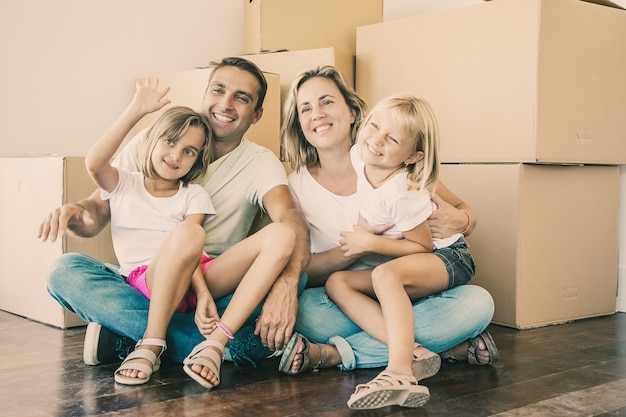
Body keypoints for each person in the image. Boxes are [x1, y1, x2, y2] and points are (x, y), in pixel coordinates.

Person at [38, 57, 310, 382]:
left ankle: (131, 336)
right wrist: (75, 212)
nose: (225, 103)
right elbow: (97, 209)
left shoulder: (258, 162)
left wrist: (287, 282)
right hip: (143, 278)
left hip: (209, 280)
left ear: (256, 114)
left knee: (295, 275)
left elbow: (290, 219)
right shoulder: (154, 139)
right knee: (64, 271)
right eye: (219, 90)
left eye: (241, 97)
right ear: (205, 93)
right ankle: (217, 346)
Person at [277, 66, 498, 397]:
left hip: (420, 281)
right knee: (308, 311)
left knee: (478, 303)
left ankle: (338, 354)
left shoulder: (397, 168)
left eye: (326, 102)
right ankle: (437, 348)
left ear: (352, 112)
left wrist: (463, 220)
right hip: (363, 296)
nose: (317, 115)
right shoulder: (296, 185)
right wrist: (358, 247)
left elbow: (461, 214)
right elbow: (304, 269)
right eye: (305, 108)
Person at [324, 94, 475, 409]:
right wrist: (367, 226)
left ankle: (399, 373)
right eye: (374, 126)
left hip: (449, 257)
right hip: (419, 258)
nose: (376, 140)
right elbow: (370, 203)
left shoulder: (402, 192)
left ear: (412, 157)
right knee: (337, 282)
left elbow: (422, 246)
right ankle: (414, 350)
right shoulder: (358, 156)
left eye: (392, 139)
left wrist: (370, 242)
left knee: (385, 274)